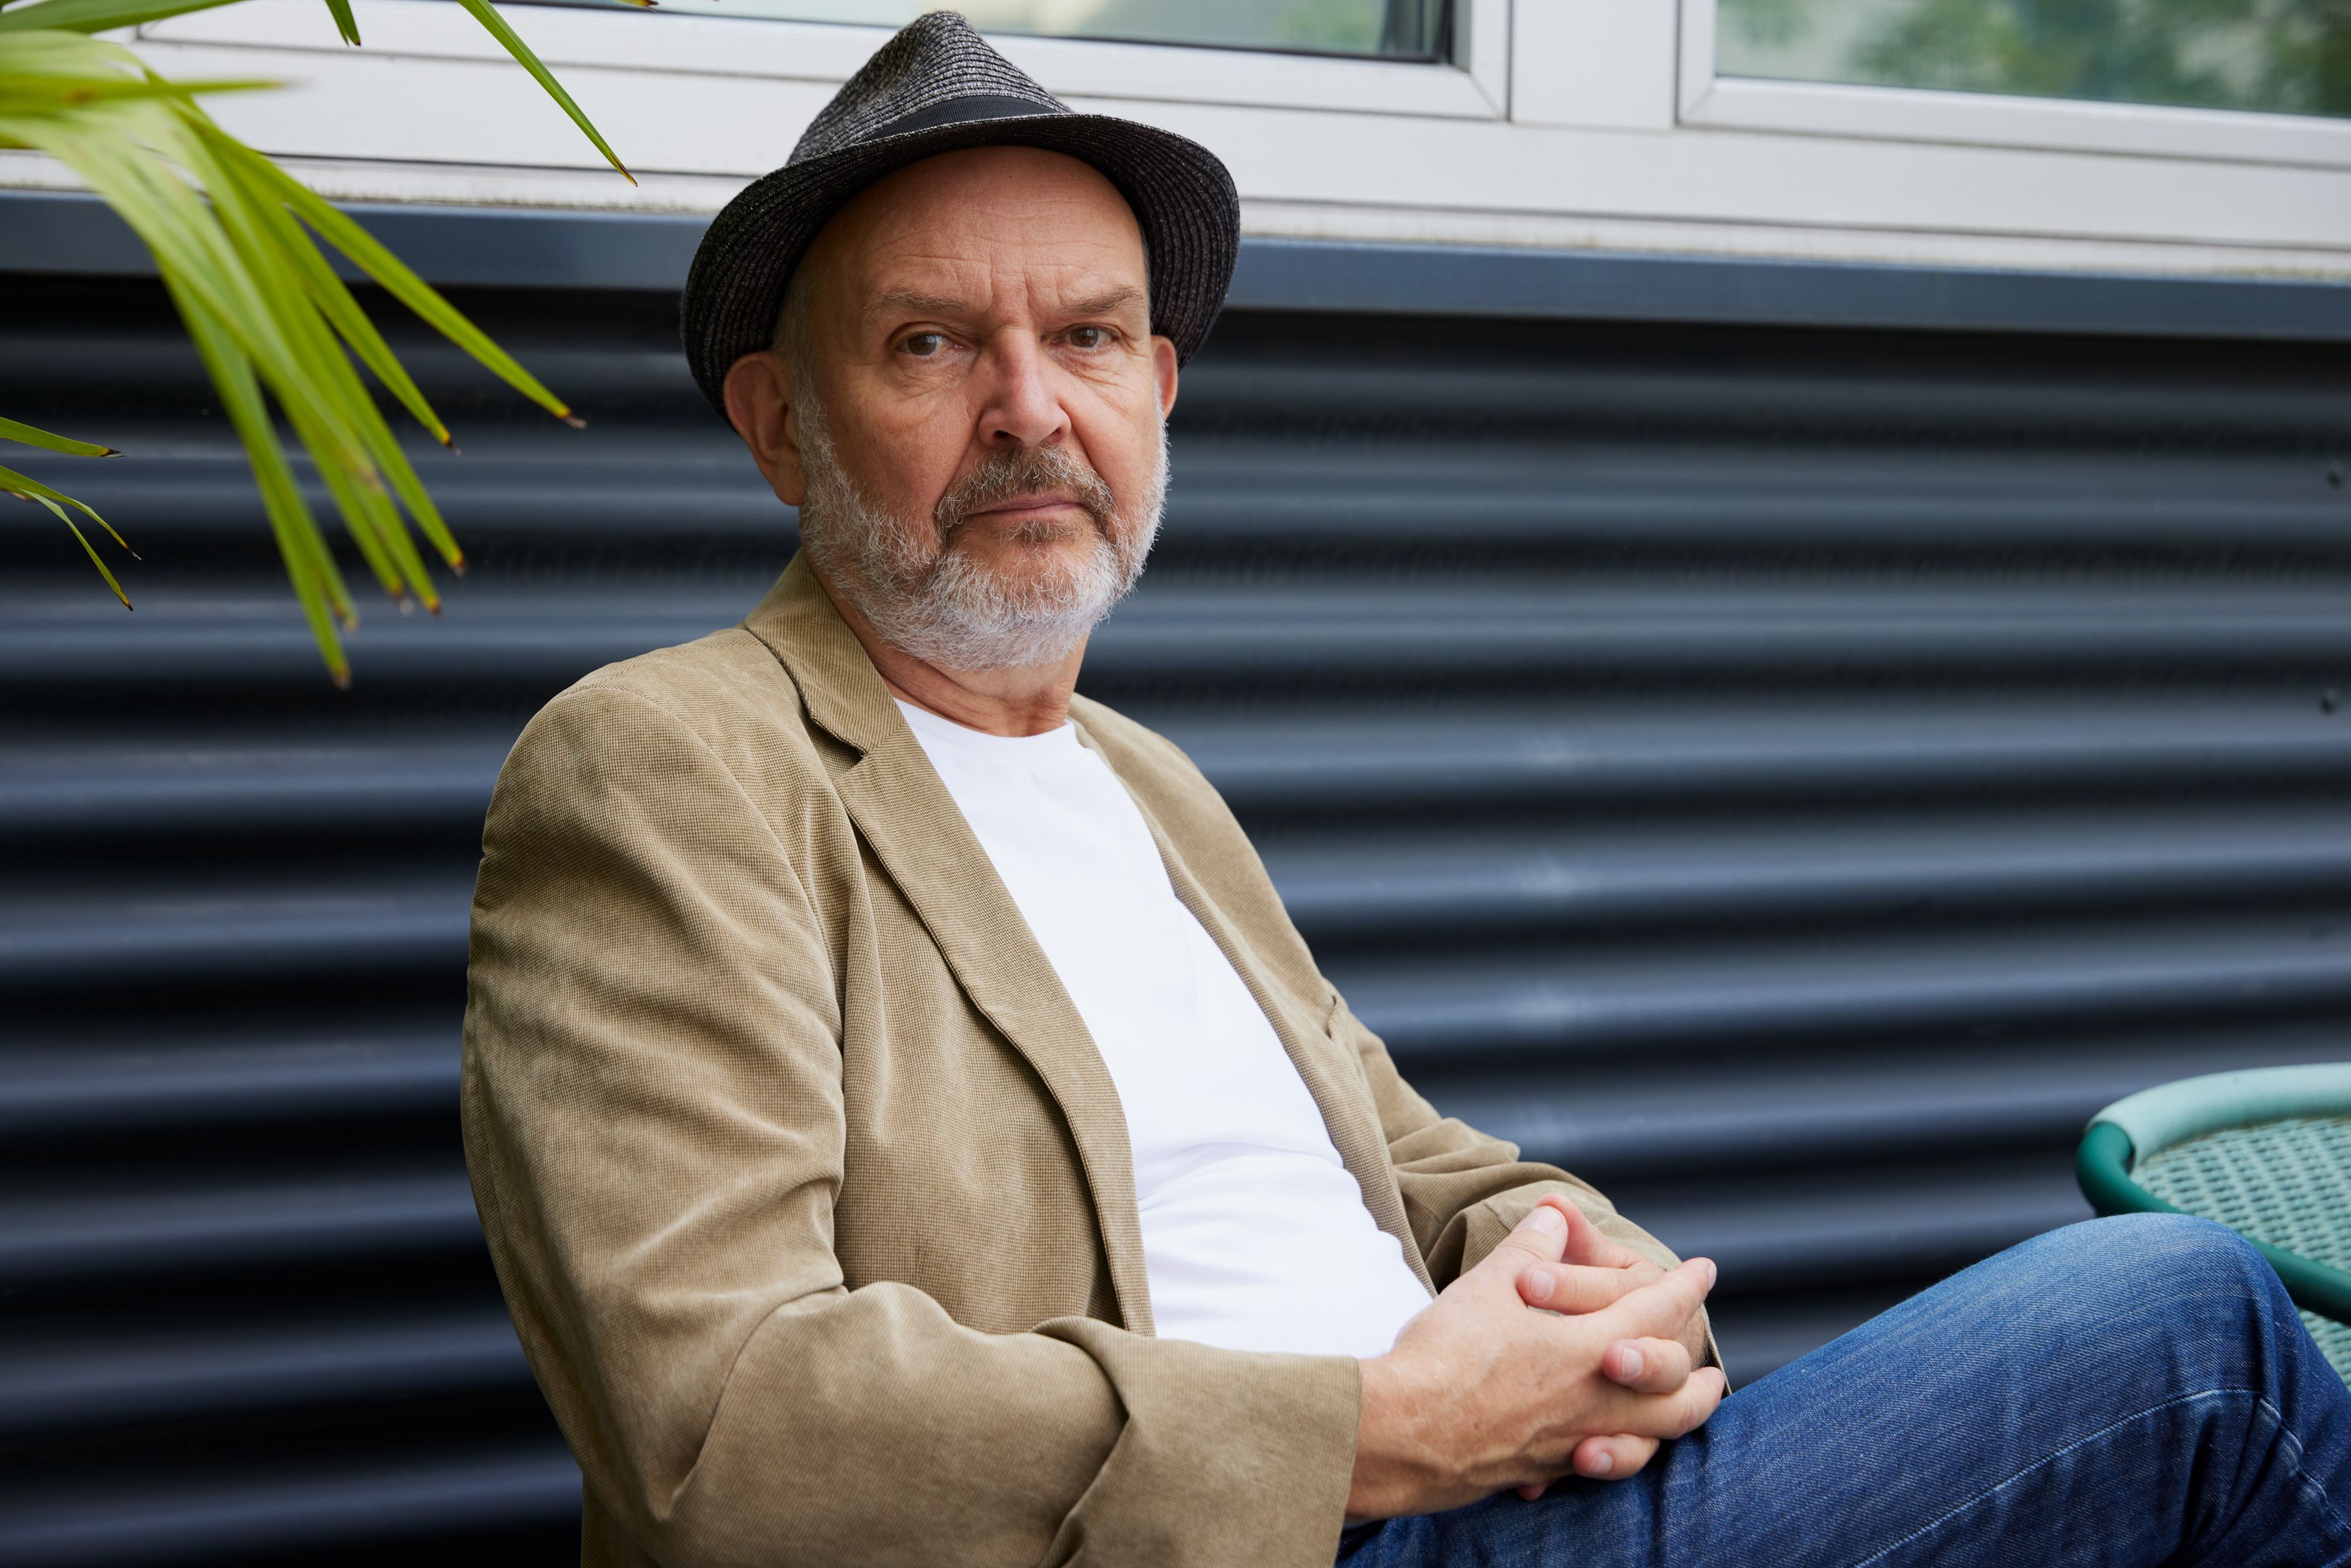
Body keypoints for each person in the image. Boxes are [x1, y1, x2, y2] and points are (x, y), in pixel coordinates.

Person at [460, 13, 2351, 1567]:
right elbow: (722, 1426)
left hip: (1512, 1496)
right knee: (2190, 1339)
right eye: (934, 343)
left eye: (1090, 336)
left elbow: (1418, 1161)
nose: (1033, 408)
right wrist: (1386, 1429)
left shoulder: (1140, 782)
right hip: (1320, 1534)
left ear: (1159, 392)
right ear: (783, 427)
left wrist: (1604, 1292)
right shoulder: (674, 764)